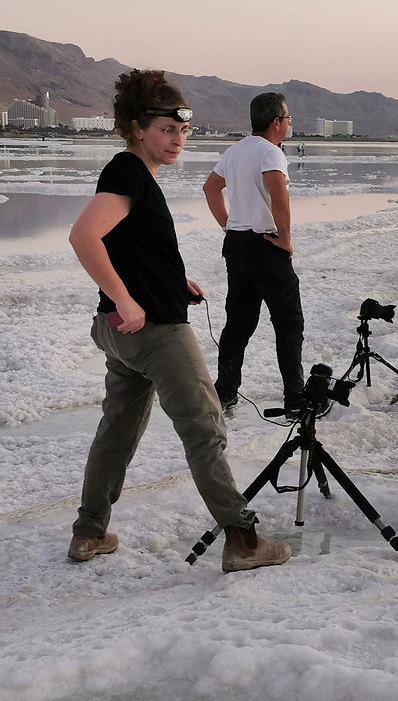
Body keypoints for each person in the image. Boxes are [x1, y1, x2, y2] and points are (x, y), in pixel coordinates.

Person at [67, 69, 291, 572]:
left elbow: (133, 248)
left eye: (183, 131)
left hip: (124, 333)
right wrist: (126, 299)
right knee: (204, 426)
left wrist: (173, 284)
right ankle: (243, 543)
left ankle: (88, 534)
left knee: (117, 432)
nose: (177, 140)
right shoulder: (127, 172)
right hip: (153, 333)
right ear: (137, 128)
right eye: (167, 129)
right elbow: (85, 237)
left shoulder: (137, 176)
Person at [203, 93, 305, 413]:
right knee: (288, 322)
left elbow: (210, 188)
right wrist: (286, 239)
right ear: (276, 122)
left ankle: (225, 391)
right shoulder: (270, 153)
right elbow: (279, 196)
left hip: (237, 245)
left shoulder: (235, 150)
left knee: (239, 322)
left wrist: (228, 225)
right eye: (288, 119)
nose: (289, 124)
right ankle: (295, 399)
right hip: (265, 245)